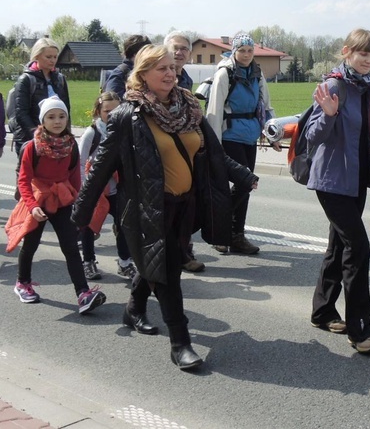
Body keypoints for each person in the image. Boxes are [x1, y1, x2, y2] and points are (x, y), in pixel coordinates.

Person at [72, 45, 259, 370]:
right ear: (142, 75)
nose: (171, 73)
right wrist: (80, 215)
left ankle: (133, 308)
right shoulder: (126, 116)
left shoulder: (188, 108)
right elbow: (100, 167)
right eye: (162, 68)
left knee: (156, 265)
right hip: (145, 211)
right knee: (170, 271)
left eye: (172, 67)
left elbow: (213, 152)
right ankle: (180, 342)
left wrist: (243, 175)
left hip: (184, 208)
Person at [308, 28, 370, 354]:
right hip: (332, 182)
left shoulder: (369, 88)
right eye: (362, 53)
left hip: (358, 180)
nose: (368, 59)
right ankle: (359, 330)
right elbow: (312, 136)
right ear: (347, 52)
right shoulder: (334, 86)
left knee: (337, 245)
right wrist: (328, 116)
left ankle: (322, 311)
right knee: (357, 249)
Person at [5, 96, 106, 314]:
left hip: (62, 201)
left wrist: (80, 203)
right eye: (51, 117)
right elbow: (24, 180)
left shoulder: (71, 146)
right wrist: (32, 206)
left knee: (70, 247)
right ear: (43, 121)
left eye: (62, 116)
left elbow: (74, 179)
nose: (57, 121)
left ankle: (83, 293)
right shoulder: (31, 148)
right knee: (30, 244)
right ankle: (22, 283)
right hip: (38, 201)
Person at [205, 32, 280, 256]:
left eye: (250, 51)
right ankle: (220, 230)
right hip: (230, 137)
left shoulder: (257, 73)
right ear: (234, 51)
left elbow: (266, 105)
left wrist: (273, 135)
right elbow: (214, 111)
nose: (246, 55)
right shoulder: (225, 74)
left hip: (250, 137)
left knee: (246, 188)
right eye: (242, 50)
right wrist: (214, 145)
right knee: (245, 184)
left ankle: (234, 234)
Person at [77, 91, 137, 283]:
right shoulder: (92, 133)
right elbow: (80, 161)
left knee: (123, 223)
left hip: (117, 188)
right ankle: (88, 261)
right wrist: (84, 188)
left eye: (116, 110)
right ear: (98, 111)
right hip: (96, 188)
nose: (111, 115)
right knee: (89, 224)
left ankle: (125, 262)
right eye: (106, 111)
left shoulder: (125, 130)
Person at [163, 31, 205, 273]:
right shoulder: (156, 79)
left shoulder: (187, 80)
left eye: (184, 49)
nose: (179, 52)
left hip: (184, 148)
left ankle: (183, 251)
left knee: (186, 203)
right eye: (175, 47)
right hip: (162, 148)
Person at [9, 38, 70, 155]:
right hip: (29, 139)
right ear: (36, 56)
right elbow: (21, 113)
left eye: (55, 57)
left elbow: (66, 109)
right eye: (48, 57)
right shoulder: (26, 79)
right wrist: (38, 136)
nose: (52, 60)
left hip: (56, 138)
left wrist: (66, 134)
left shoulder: (60, 79)